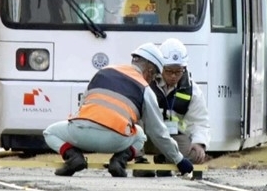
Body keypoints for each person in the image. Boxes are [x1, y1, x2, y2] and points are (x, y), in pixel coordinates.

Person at [43, 43, 194, 178]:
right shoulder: (145, 88)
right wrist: (179, 160)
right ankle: (119, 161)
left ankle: (73, 158)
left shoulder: (103, 71)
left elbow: (83, 104)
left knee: (50, 132)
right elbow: (158, 132)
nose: (153, 79)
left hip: (82, 134)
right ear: (149, 71)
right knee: (140, 134)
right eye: (154, 76)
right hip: (115, 140)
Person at [134, 38, 210, 177]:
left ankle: (165, 160)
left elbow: (199, 121)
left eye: (178, 71)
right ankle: (140, 163)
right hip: (148, 137)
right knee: (136, 124)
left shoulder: (192, 90)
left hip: (173, 137)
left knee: (195, 154)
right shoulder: (146, 82)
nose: (173, 76)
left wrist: (199, 143)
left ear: (184, 69)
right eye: (169, 71)